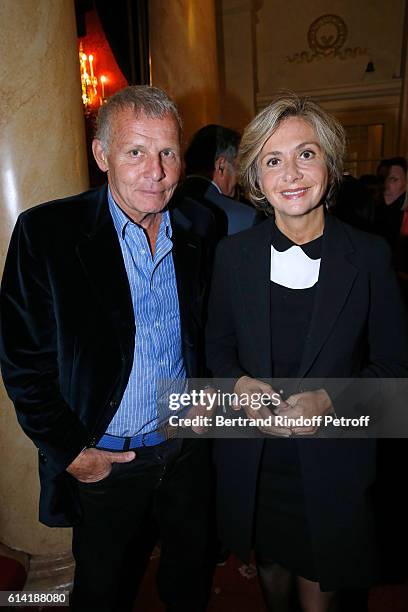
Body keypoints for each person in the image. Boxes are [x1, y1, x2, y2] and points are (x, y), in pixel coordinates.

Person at [0, 86, 214, 612]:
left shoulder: (200, 227)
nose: (156, 171)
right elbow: (22, 362)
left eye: (167, 152)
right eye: (135, 152)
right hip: (108, 460)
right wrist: (73, 453)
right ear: (102, 155)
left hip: (186, 450)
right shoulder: (47, 233)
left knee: (189, 575)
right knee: (103, 589)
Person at [206, 93, 408, 611]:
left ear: (331, 164)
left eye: (306, 153)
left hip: (334, 460)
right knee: (272, 574)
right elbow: (217, 349)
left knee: (323, 594)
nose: (291, 173)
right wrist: (240, 387)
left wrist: (332, 400)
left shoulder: (369, 255)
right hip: (258, 460)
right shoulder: (232, 256)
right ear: (256, 177)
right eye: (273, 160)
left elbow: (395, 368)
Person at [175, 124, 260, 238]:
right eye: (238, 167)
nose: (239, 179)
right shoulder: (245, 216)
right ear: (221, 166)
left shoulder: (165, 206)